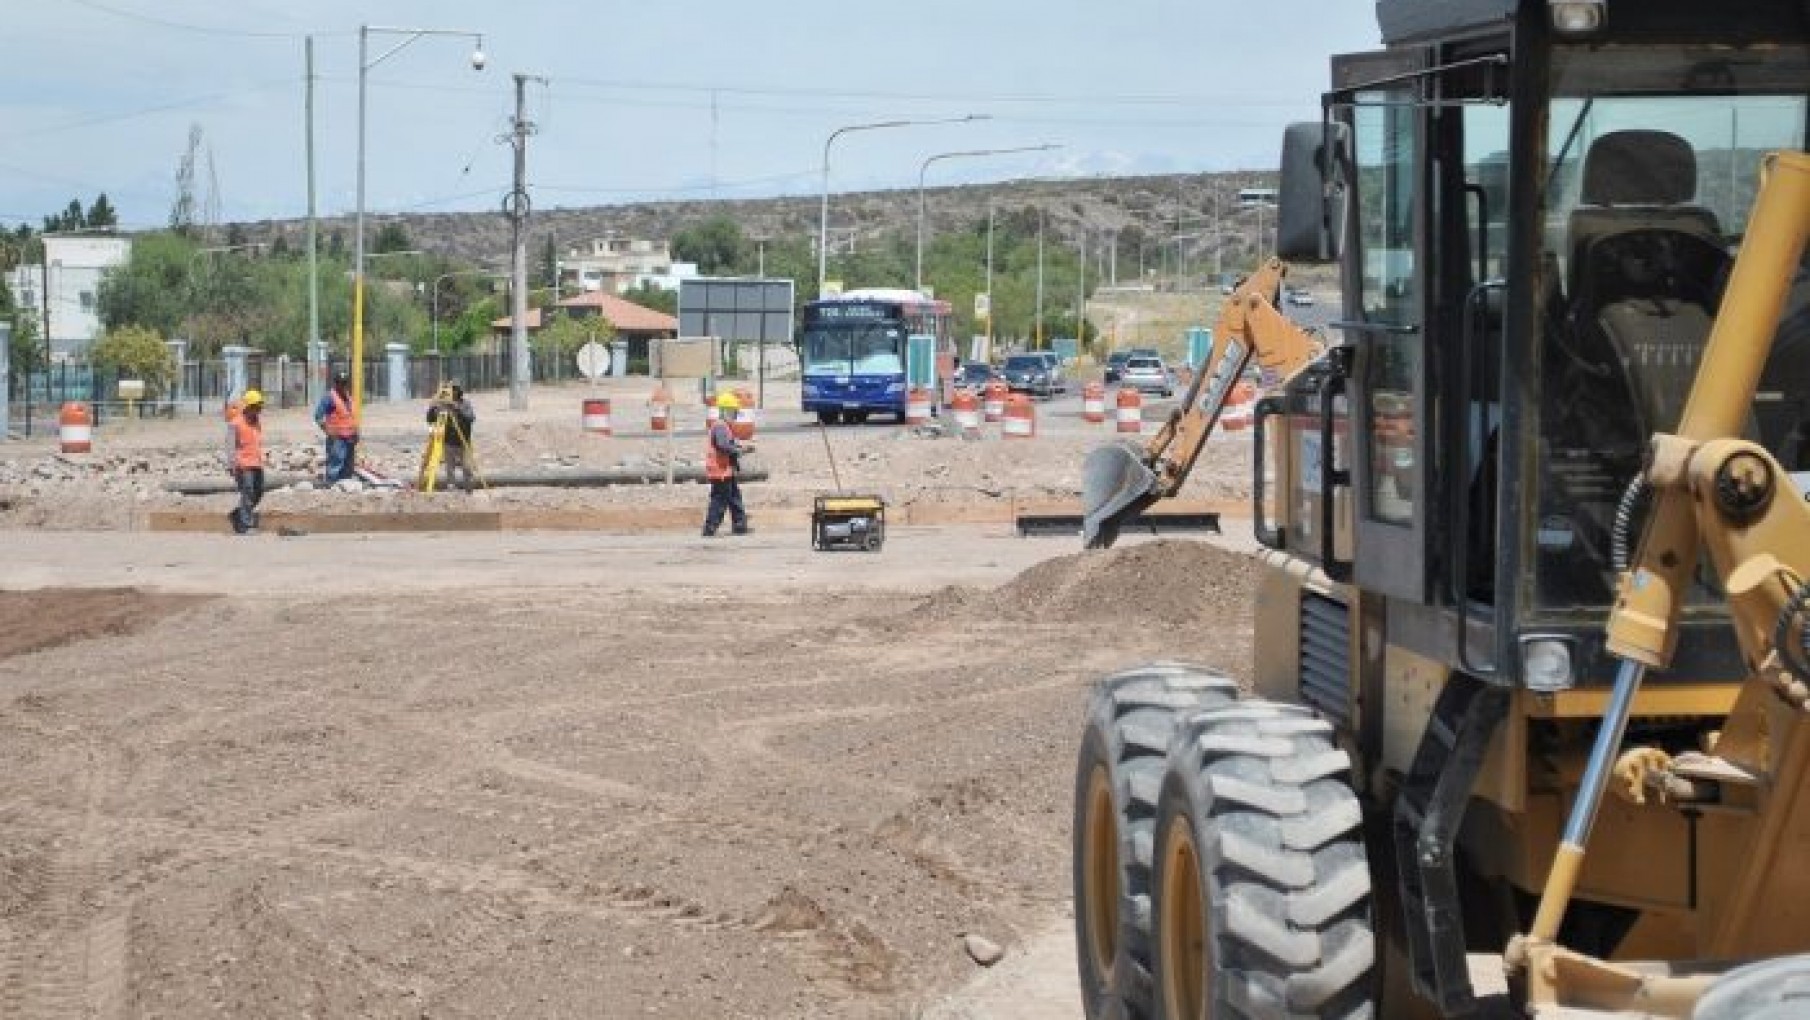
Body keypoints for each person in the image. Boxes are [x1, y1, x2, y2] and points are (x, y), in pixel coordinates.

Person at [702, 390, 754, 537]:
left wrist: (740, 449)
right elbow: (723, 446)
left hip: (726, 470)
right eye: (734, 412)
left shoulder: (724, 426)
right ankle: (710, 527)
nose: (735, 415)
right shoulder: (720, 426)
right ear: (726, 411)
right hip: (720, 470)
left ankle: (740, 525)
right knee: (720, 499)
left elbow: (727, 445)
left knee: (734, 497)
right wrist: (740, 450)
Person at [227, 389, 266, 535]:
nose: (259, 410)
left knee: (259, 491)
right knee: (248, 492)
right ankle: (245, 525)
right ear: (248, 407)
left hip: (256, 463)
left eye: (260, 407)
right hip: (243, 464)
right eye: (256, 407)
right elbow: (230, 446)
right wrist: (231, 465)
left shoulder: (257, 422)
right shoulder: (235, 423)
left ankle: (238, 514)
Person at [426, 382, 477, 493]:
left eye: (453, 391)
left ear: (458, 392)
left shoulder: (465, 404)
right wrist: (433, 407)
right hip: (448, 443)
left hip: (463, 443)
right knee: (450, 468)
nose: (451, 393)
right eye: (449, 391)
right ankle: (451, 489)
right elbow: (430, 420)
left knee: (467, 467)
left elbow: (471, 418)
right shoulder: (442, 405)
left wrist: (456, 408)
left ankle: (469, 490)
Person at [313, 369, 359, 484]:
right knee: (335, 464)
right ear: (336, 383)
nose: (343, 385)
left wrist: (356, 432)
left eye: (344, 383)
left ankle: (345, 484)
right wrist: (328, 431)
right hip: (337, 438)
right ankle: (331, 484)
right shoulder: (330, 397)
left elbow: (350, 417)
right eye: (340, 383)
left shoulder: (348, 397)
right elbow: (318, 416)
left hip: (350, 438)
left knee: (348, 465)